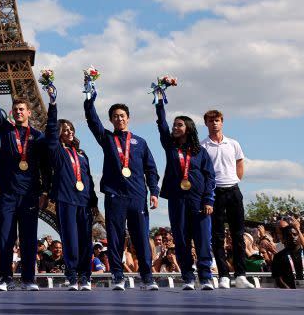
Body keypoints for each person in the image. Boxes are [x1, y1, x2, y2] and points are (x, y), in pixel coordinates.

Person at [84, 86, 159, 290]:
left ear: (128, 118)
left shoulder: (140, 143)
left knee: (142, 239)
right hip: (115, 196)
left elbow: (151, 169)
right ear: (111, 120)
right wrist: (89, 99)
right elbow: (92, 122)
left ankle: (147, 277)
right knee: (115, 239)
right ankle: (118, 276)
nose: (119, 119)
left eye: (122, 115)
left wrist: (154, 192)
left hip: (137, 196)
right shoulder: (108, 139)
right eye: (115, 116)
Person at [154, 92, 216, 290]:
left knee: (203, 241)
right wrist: (160, 102)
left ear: (188, 128)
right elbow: (162, 124)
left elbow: (210, 177)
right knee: (181, 239)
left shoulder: (200, 152)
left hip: (199, 201)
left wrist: (209, 200)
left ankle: (206, 277)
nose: (175, 127)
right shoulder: (170, 147)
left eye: (179, 124)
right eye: (174, 124)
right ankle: (188, 277)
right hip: (177, 200)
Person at [0, 86, 46, 291]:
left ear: (29, 112)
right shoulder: (6, 130)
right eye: (16, 109)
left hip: (30, 194)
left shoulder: (38, 137)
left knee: (29, 238)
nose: (19, 112)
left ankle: (29, 279)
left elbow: (45, 166)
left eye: (22, 109)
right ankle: (5, 278)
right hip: (8, 193)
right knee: (5, 237)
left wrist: (45, 191)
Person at [41, 85, 98, 291]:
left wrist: (94, 201)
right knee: (71, 239)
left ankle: (86, 276)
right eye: (65, 130)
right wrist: (53, 104)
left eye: (71, 129)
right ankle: (72, 276)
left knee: (86, 240)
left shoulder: (82, 154)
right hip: (66, 199)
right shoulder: (57, 151)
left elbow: (89, 178)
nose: (69, 132)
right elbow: (50, 131)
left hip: (84, 200)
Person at [200, 109, 253, 289]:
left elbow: (239, 164)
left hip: (233, 190)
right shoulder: (202, 146)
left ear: (222, 122)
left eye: (217, 120)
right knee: (217, 235)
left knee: (238, 234)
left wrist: (234, 180)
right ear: (206, 123)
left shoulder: (233, 143)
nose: (214, 123)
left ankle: (241, 275)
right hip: (215, 193)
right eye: (210, 120)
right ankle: (223, 274)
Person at [270, 217, 304, 289]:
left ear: (299, 236)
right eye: (289, 235)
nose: (292, 237)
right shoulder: (278, 257)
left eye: (295, 234)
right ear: (284, 238)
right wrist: (290, 291)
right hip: (288, 295)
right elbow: (278, 278)